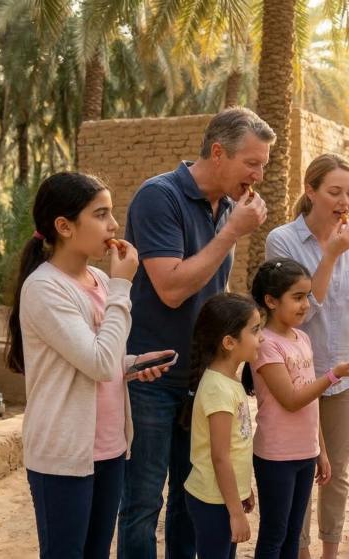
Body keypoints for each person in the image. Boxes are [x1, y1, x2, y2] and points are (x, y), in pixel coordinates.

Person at [118, 107, 275, 559]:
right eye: (252, 162)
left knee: (193, 500)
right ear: (219, 153)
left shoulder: (227, 206)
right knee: (144, 503)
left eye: (263, 164)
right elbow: (169, 289)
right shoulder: (158, 197)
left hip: (198, 381)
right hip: (151, 379)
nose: (258, 175)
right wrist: (230, 234)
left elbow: (213, 291)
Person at [4, 172, 174, 559]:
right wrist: (122, 287)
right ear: (64, 226)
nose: (114, 225)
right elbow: (98, 362)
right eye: (101, 214)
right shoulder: (45, 288)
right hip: (64, 454)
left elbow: (100, 356)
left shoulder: (98, 278)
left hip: (109, 448)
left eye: (111, 213)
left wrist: (131, 364)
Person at [264, 154, 349, 559]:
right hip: (298, 377)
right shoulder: (282, 241)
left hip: (346, 372)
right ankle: (299, 552)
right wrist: (330, 255)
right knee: (302, 472)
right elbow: (297, 310)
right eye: (335, 191)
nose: (344, 200)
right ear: (310, 191)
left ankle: (330, 553)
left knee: (337, 472)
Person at [243, 258, 349, 559]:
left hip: (305, 453)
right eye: (298, 297)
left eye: (307, 296)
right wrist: (333, 375)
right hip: (277, 456)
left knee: (293, 534)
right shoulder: (267, 345)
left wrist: (321, 451)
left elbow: (311, 404)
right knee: (274, 534)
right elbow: (291, 399)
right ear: (271, 301)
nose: (306, 305)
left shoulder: (301, 337)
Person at [179, 293, 264, 559]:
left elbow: (235, 447)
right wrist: (236, 513)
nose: (262, 338)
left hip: (224, 497)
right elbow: (220, 457)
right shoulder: (217, 389)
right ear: (229, 342)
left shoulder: (228, 380)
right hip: (212, 502)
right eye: (255, 330)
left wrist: (242, 490)